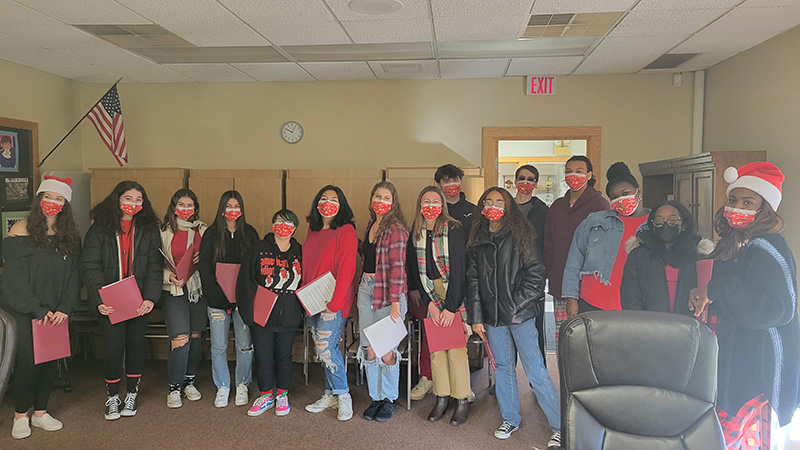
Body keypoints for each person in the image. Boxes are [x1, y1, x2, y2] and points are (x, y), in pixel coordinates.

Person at [689, 162, 799, 449]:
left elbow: (779, 309)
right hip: (738, 355)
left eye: (748, 202)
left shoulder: (767, 248)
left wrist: (717, 289)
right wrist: (703, 292)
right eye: (733, 200)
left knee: (729, 437)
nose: (738, 207)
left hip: (756, 366)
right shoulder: (740, 243)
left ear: (765, 209)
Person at [465, 187, 561, 448]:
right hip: (491, 319)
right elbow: (472, 281)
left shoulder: (523, 234)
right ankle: (510, 418)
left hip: (521, 316)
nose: (493, 206)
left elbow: (536, 276)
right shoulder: (478, 238)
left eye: (499, 202)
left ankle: (559, 425)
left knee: (536, 370)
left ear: (509, 208)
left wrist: (513, 305)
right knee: (503, 369)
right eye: (488, 202)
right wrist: (475, 317)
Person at [3, 176, 81, 439]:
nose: (52, 203)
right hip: (25, 310)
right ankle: (20, 414)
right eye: (48, 197)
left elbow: (73, 277)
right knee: (28, 361)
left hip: (56, 310)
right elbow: (15, 279)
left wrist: (65, 307)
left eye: (59, 199)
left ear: (65, 204)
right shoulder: (19, 231)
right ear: (39, 199)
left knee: (50, 360)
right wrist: (36, 310)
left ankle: (40, 412)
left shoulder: (69, 237)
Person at [81, 180, 162, 420]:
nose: (133, 204)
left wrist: (150, 298)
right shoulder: (100, 228)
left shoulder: (148, 228)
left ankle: (132, 394)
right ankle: (113, 396)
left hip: (138, 301)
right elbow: (89, 266)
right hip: (110, 301)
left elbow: (155, 266)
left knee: (136, 346)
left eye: (138, 200)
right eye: (128, 199)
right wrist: (98, 299)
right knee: (114, 348)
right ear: (117, 199)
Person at [411, 164, 477, 401]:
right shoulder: (417, 232)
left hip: (454, 293)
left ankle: (461, 395)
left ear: (442, 204)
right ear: (420, 206)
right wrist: (429, 303)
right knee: (437, 349)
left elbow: (460, 270)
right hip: (431, 294)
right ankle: (441, 395)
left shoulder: (454, 228)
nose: (430, 207)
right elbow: (418, 273)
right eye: (426, 203)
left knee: (457, 349)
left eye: (435, 202)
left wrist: (450, 307)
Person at [238, 209, 303, 417]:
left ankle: (282, 394)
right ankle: (266, 394)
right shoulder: (258, 248)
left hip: (290, 315)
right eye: (279, 222)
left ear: (295, 228)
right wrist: (248, 315)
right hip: (262, 314)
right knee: (263, 356)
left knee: (284, 356)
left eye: (289, 224)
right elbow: (245, 281)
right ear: (272, 224)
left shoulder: (300, 250)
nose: (283, 227)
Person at [562, 162, 649, 316]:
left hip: (634, 306)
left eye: (625, 193)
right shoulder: (594, 221)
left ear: (638, 191)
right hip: (591, 302)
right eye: (614, 197)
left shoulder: (653, 224)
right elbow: (574, 261)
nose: (621, 199)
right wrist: (571, 298)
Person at [198, 191, 259, 408]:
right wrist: (220, 300)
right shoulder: (211, 234)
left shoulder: (250, 233)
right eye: (229, 206)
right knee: (219, 346)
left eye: (237, 205)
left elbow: (256, 267)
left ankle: (242, 383)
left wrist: (243, 298)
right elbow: (204, 268)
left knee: (244, 345)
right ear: (222, 208)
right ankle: (222, 385)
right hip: (217, 301)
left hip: (243, 301)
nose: (233, 210)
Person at [303, 185, 358, 421]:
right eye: (323, 199)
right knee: (322, 348)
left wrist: (334, 303)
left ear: (341, 205)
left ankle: (344, 395)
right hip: (312, 300)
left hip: (333, 301)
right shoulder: (312, 230)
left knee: (327, 347)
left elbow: (347, 269)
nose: (328, 203)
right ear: (317, 204)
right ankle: (330, 394)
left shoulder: (345, 231)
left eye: (333, 200)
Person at [358, 181, 408, 423]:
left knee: (386, 350)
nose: (381, 200)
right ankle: (375, 397)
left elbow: (398, 267)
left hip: (388, 294)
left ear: (393, 202)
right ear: (372, 199)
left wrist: (396, 302)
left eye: (386, 197)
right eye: (377, 195)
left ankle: (388, 398)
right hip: (366, 290)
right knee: (369, 349)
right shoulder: (371, 225)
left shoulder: (396, 228)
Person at [543, 155, 608, 342]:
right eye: (569, 171)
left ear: (589, 175)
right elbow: (548, 243)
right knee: (562, 339)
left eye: (579, 171)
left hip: (588, 288)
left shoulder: (599, 205)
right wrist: (553, 269)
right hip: (559, 284)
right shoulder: (557, 206)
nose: (573, 175)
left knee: (587, 341)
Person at [620, 201, 714, 315]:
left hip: (688, 325)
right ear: (652, 226)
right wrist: (642, 325)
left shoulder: (698, 254)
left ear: (683, 225)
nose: (665, 225)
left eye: (673, 220)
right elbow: (630, 297)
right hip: (650, 326)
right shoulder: (638, 255)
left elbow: (707, 293)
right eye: (659, 221)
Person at [159, 188, 207, 408]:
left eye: (190, 205)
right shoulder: (162, 231)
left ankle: (189, 381)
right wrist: (168, 276)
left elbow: (214, 262)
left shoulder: (203, 230)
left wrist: (202, 257)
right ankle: (174, 387)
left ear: (195, 208)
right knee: (180, 340)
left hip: (198, 290)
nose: (186, 209)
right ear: (173, 206)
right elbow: (151, 265)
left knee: (195, 338)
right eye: (181, 205)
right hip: (174, 291)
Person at [513, 164, 548, 361]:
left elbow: (546, 241)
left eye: (530, 179)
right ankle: (505, 380)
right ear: (515, 180)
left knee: (535, 328)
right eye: (522, 178)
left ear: (536, 183)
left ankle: (537, 380)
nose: (525, 182)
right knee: (507, 331)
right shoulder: (505, 206)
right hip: (506, 276)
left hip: (532, 276)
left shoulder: (542, 210)